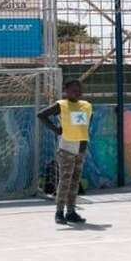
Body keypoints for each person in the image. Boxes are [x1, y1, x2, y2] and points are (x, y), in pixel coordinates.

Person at [37, 79, 91, 225]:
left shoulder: (86, 106)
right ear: (66, 91)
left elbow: (86, 124)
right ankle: (59, 212)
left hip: (81, 147)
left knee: (75, 182)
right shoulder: (61, 105)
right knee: (65, 181)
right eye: (74, 89)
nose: (77, 92)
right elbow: (41, 115)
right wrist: (56, 130)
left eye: (79, 89)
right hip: (67, 147)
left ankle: (71, 212)